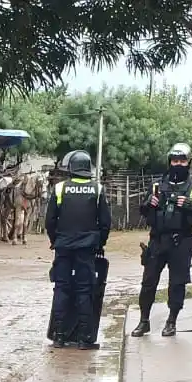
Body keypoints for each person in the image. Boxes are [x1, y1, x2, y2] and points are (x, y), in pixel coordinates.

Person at [132, 143, 192, 338]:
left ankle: (171, 321)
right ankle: (144, 321)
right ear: (169, 161)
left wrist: (191, 206)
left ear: (188, 162)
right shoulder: (156, 185)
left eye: (182, 160)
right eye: (174, 160)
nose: (178, 164)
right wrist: (148, 204)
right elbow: (142, 212)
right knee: (148, 283)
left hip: (181, 241)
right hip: (157, 240)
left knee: (177, 284)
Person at [45, 149, 112, 350]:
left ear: (71, 169)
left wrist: (55, 240)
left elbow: (50, 221)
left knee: (61, 289)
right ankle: (85, 339)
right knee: (85, 290)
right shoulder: (97, 189)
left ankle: (59, 337)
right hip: (87, 249)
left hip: (63, 247)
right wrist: (100, 243)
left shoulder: (59, 189)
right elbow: (105, 223)